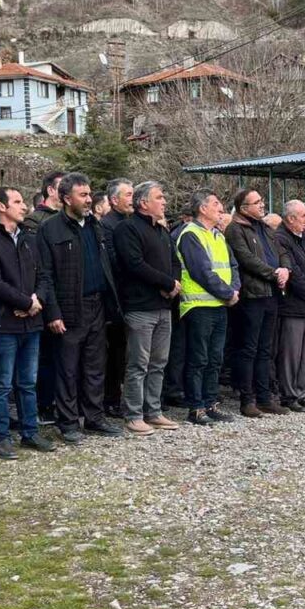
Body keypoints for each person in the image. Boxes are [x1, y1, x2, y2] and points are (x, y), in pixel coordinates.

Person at [38, 172, 122, 443]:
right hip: (69, 308)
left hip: (97, 305)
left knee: (95, 365)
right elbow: (45, 274)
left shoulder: (94, 226)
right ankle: (68, 422)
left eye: (89, 194)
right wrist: (53, 312)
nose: (89, 199)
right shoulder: (50, 229)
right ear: (66, 198)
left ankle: (94, 418)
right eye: (83, 195)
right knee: (68, 368)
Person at [0, 186, 55, 459]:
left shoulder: (29, 238)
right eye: (17, 202)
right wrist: (25, 303)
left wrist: (37, 301)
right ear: (1, 207)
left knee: (28, 383)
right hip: (2, 324)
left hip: (31, 324)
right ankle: (1, 437)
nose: (24, 206)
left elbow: (44, 275)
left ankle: (30, 432)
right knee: (1, 384)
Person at [113, 181, 181, 437]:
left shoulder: (162, 231)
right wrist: (166, 283)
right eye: (159, 197)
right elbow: (134, 264)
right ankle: (133, 415)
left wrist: (174, 284)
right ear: (143, 203)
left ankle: (153, 411)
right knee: (138, 364)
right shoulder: (127, 228)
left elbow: (175, 262)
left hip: (164, 306)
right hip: (140, 307)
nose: (164, 201)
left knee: (159, 363)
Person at [176, 190, 240, 425]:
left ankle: (211, 403)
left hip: (219, 304)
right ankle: (196, 407)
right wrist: (228, 293)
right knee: (199, 359)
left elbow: (232, 265)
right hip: (199, 305)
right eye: (215, 203)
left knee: (215, 359)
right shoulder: (190, 234)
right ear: (202, 208)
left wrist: (234, 290)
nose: (221, 208)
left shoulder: (218, 235)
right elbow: (201, 272)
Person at [225, 188, 288, 418]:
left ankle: (264, 398)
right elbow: (246, 259)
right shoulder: (235, 229)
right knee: (249, 349)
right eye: (257, 202)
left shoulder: (264, 228)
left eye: (262, 200)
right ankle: (247, 399)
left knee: (265, 349)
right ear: (243, 208)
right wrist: (274, 273)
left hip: (271, 294)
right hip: (252, 296)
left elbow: (282, 251)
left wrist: (285, 269)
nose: (262, 205)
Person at [274, 200, 305, 411]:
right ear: (291, 218)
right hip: (292, 305)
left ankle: (303, 392)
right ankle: (289, 394)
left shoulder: (304, 239)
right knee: (291, 353)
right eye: (303, 216)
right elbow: (293, 273)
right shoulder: (281, 239)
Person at [99, 178, 134, 416]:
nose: (133, 199)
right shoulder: (107, 225)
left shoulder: (130, 222)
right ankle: (111, 399)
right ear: (114, 199)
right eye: (128, 194)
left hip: (131, 296)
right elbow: (114, 262)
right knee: (115, 352)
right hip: (116, 298)